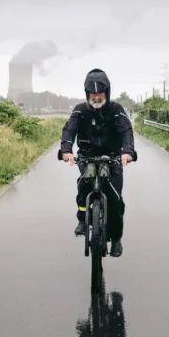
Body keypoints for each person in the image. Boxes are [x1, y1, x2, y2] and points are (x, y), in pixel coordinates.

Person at [59, 68, 137, 257]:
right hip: (87, 156)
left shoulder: (116, 110)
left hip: (112, 158)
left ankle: (116, 238)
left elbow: (126, 131)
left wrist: (127, 152)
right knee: (83, 185)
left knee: (115, 198)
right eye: (92, 93)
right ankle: (83, 220)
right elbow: (69, 130)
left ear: (107, 93)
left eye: (100, 93)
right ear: (87, 94)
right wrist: (66, 150)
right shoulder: (80, 110)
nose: (96, 97)